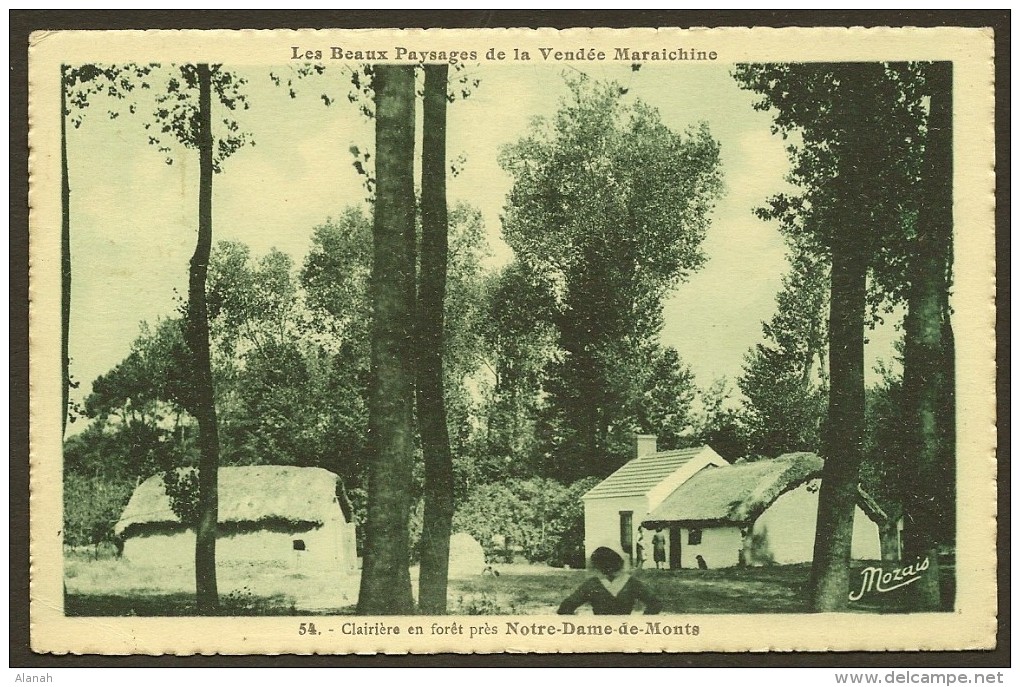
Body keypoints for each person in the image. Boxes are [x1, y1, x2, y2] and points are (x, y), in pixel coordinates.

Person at [557, 547, 662, 616]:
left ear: (598, 564)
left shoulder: (592, 584)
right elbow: (655, 603)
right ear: (620, 562)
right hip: (625, 634)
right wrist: (642, 623)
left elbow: (565, 607)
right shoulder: (631, 583)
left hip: (600, 635)